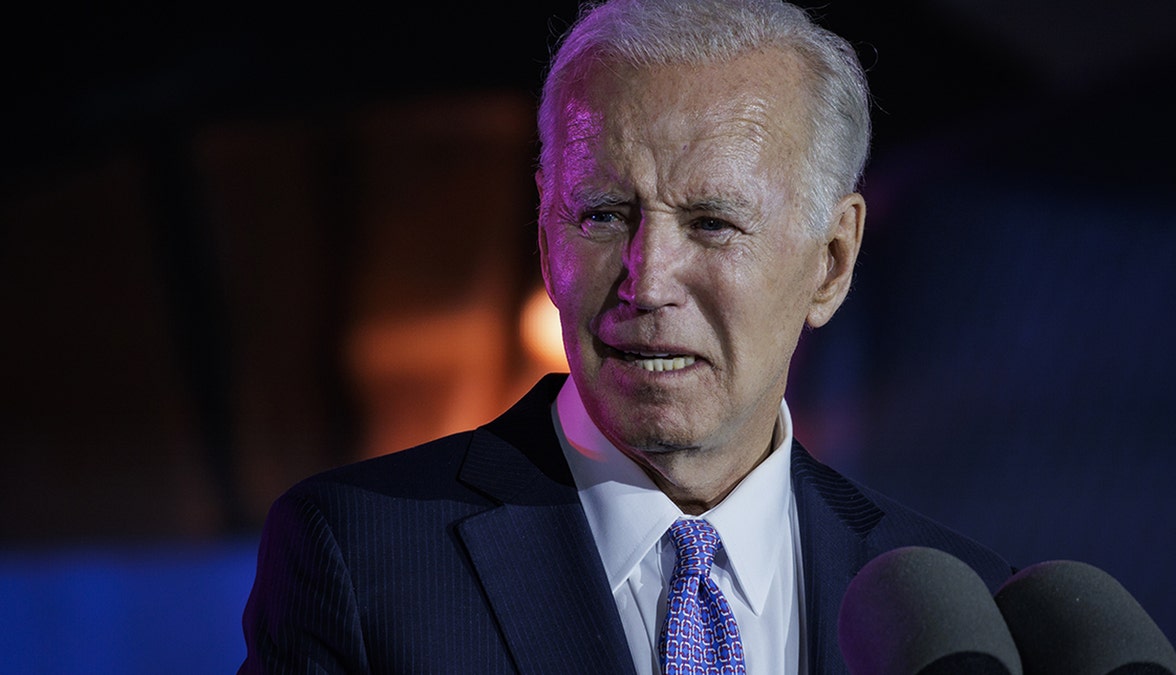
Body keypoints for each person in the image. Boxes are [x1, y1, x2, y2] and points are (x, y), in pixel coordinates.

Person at [239, 0, 1012, 672]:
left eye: (712, 224)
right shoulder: (362, 558)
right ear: (546, 238)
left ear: (831, 261)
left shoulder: (969, 621)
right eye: (605, 215)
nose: (647, 280)